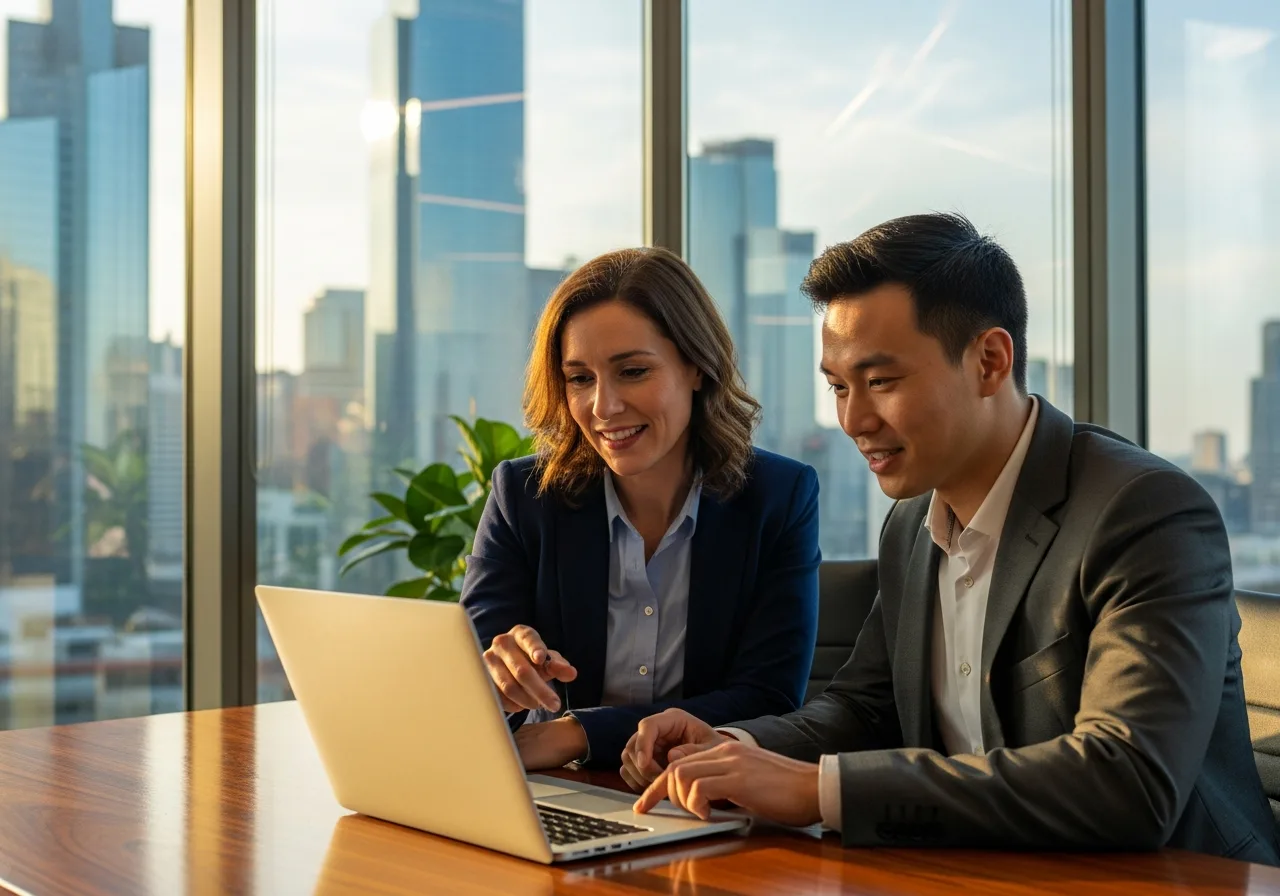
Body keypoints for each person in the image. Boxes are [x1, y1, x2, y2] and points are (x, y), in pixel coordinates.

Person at [624, 213, 1279, 864]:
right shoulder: (913, 521)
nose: (853, 419)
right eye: (839, 387)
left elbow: (1127, 779)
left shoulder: (1143, 511)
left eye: (880, 382)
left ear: (990, 362)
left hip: (1179, 879)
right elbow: (865, 710)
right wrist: (733, 746)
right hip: (984, 871)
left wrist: (820, 790)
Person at [459, 246, 821, 772]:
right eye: (580, 378)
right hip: (552, 788)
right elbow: (469, 688)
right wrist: (500, 679)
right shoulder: (523, 496)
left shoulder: (779, 496)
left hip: (697, 794)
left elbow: (769, 698)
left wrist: (579, 733)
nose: (603, 407)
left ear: (697, 367)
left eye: (632, 371)